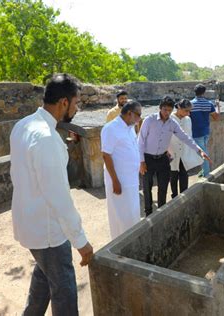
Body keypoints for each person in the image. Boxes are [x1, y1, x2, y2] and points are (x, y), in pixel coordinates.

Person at [10, 73, 93, 316]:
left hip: (29, 224)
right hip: (48, 232)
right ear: (64, 102)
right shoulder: (47, 138)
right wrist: (81, 241)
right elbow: (59, 198)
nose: (77, 109)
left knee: (44, 278)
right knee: (64, 291)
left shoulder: (23, 125)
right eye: (76, 103)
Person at [138, 96, 210, 216]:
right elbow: (140, 141)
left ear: (172, 110)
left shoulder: (172, 123)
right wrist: (141, 161)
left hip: (163, 159)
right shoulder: (149, 120)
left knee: (163, 187)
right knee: (147, 187)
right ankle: (148, 212)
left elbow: (185, 137)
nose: (167, 113)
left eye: (169, 110)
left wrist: (199, 150)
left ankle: (160, 213)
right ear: (160, 108)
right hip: (148, 159)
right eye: (165, 110)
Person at [101, 101, 142, 239]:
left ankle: (132, 243)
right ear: (129, 113)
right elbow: (106, 155)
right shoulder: (110, 128)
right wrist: (115, 181)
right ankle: (121, 247)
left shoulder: (130, 127)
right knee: (121, 216)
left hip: (131, 179)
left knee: (133, 214)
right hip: (119, 181)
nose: (139, 119)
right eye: (138, 115)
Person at [168, 99, 203, 198]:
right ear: (179, 108)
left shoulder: (188, 119)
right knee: (173, 174)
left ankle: (184, 195)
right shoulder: (170, 118)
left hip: (184, 151)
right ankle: (174, 196)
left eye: (189, 111)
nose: (188, 113)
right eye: (186, 111)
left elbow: (189, 136)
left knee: (184, 173)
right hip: (172, 150)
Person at [190, 84, 220, 177]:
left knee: (203, 153)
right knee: (204, 151)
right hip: (206, 131)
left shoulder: (191, 104)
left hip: (196, 132)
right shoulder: (209, 104)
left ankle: (206, 174)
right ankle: (204, 171)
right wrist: (218, 107)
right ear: (204, 92)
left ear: (195, 92)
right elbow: (216, 117)